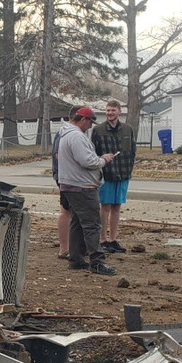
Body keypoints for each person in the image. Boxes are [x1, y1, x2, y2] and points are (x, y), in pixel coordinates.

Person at [57, 107, 117, 275]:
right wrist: (103, 160)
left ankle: (76, 259)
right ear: (83, 119)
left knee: (77, 223)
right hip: (82, 187)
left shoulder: (66, 134)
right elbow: (87, 161)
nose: (90, 126)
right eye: (90, 121)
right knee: (92, 225)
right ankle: (97, 262)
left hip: (71, 185)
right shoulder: (76, 136)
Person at [92, 100, 136, 254]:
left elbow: (132, 151)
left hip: (123, 174)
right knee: (105, 206)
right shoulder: (98, 130)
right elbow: (92, 153)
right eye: (108, 110)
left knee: (117, 206)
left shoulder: (128, 130)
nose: (110, 113)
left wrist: (129, 169)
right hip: (106, 174)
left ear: (119, 111)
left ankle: (113, 239)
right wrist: (101, 160)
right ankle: (103, 239)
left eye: (113, 110)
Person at [52, 105, 81, 259]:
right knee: (66, 211)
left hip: (68, 176)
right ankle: (64, 248)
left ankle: (73, 246)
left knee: (72, 212)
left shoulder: (69, 132)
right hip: (66, 177)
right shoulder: (64, 134)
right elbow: (59, 156)